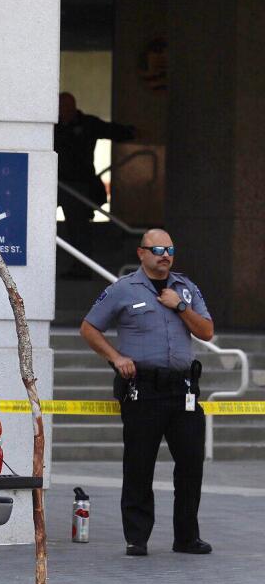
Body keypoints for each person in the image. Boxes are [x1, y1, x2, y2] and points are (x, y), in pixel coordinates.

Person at [79, 229, 214, 556]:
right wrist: (116, 357)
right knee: (139, 464)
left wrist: (180, 306)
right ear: (141, 253)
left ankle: (186, 537)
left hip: (182, 389)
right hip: (144, 389)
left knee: (191, 465)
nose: (164, 255)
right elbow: (89, 327)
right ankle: (137, 538)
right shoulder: (122, 289)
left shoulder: (186, 288)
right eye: (156, 249)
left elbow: (206, 332)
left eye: (169, 249)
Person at [55, 93, 135, 278]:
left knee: (78, 227)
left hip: (78, 186)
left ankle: (82, 268)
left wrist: (133, 132)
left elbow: (111, 130)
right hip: (54, 183)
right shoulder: (53, 125)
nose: (62, 110)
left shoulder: (88, 124)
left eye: (65, 106)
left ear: (73, 106)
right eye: (59, 106)